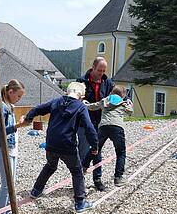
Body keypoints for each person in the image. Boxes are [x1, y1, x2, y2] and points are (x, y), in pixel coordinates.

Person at [24, 82, 98, 213]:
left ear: (67, 92)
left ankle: (35, 191)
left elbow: (38, 109)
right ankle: (80, 202)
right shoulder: (80, 107)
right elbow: (89, 127)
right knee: (77, 171)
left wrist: (29, 117)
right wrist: (95, 145)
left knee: (50, 166)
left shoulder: (57, 102)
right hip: (67, 145)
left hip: (51, 143)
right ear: (81, 95)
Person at [0, 79, 28, 213]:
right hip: (1, 148)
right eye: (18, 96)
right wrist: (18, 126)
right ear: (10, 92)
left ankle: (7, 209)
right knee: (6, 184)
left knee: (12, 182)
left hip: (9, 147)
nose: (19, 99)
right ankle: (2, 210)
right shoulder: (2, 107)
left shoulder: (8, 106)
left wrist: (17, 124)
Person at [82, 85, 133, 187]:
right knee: (120, 153)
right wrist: (129, 104)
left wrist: (85, 104)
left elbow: (93, 107)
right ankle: (118, 178)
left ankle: (84, 166)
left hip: (103, 127)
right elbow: (130, 112)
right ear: (123, 95)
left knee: (95, 148)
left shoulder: (105, 100)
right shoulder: (123, 103)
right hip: (117, 127)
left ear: (111, 93)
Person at [76, 57, 114, 191]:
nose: (101, 73)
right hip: (84, 123)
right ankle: (78, 181)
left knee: (97, 151)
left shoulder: (108, 82)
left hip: (100, 123)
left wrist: (125, 100)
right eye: (99, 70)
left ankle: (97, 179)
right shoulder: (81, 82)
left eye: (104, 71)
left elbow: (115, 95)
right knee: (83, 151)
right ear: (93, 67)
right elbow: (75, 100)